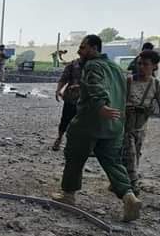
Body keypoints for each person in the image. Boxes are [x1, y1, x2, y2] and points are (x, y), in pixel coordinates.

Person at [52, 35, 141, 222]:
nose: (79, 51)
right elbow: (120, 92)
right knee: (113, 162)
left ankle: (68, 194)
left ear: (94, 48)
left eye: (83, 47)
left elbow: (95, 85)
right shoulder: (116, 68)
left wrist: (101, 105)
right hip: (114, 126)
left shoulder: (93, 65)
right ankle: (129, 196)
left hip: (90, 122)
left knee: (74, 157)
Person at [122, 50, 160, 194]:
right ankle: (133, 185)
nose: (141, 67)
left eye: (145, 64)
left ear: (154, 66)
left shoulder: (155, 84)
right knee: (130, 154)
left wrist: (147, 109)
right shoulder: (129, 81)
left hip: (141, 126)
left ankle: (120, 181)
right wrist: (125, 107)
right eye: (139, 63)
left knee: (135, 154)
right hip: (125, 126)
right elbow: (118, 101)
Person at [52, 58, 83, 151]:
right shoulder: (74, 64)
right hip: (72, 98)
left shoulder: (96, 65)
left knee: (85, 122)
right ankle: (59, 138)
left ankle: (82, 144)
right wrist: (58, 90)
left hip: (88, 100)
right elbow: (64, 78)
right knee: (65, 119)